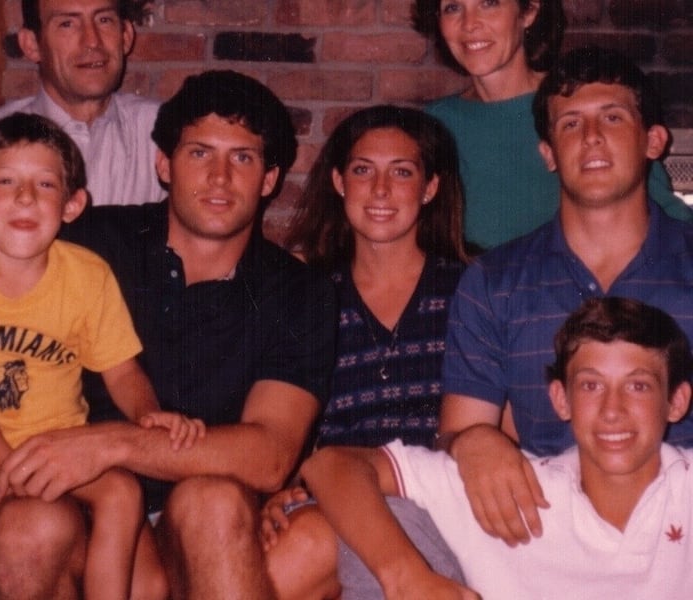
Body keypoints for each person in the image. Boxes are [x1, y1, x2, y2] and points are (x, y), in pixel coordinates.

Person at [0, 69, 335, 599]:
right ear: (164, 164)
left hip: (200, 520)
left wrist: (109, 445)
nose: (220, 177)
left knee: (213, 502)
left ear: (269, 179)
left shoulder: (299, 291)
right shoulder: (90, 242)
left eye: (242, 158)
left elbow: (269, 456)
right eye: (199, 153)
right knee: (28, 526)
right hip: (76, 505)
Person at [0, 112, 207, 599]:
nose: (25, 197)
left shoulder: (87, 275)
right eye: (6, 181)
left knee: (125, 493)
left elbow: (121, 369)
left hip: (65, 448)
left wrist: (149, 416)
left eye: (44, 184)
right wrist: (11, 473)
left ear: (72, 205)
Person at [435, 45, 693, 551]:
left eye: (612, 117)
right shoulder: (493, 282)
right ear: (548, 153)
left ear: (653, 141)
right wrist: (473, 444)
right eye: (570, 123)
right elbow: (460, 431)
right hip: (542, 534)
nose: (592, 136)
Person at [303, 297, 693, 600]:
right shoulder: (516, 488)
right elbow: (331, 465)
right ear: (561, 399)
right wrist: (405, 576)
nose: (612, 410)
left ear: (676, 401)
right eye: (591, 385)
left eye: (638, 386)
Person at [261, 105, 469, 599]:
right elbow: (283, 423)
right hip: (332, 499)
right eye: (362, 171)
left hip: (442, 507)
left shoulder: (470, 289)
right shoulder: (307, 296)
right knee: (301, 536)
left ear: (430, 188)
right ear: (338, 182)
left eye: (401, 172)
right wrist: (275, 490)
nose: (380, 191)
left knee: (314, 538)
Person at [412, 0, 692, 249]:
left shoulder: (578, 106)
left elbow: (665, 216)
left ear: (529, 11)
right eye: (452, 8)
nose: (470, 24)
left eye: (489, 3)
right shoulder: (438, 122)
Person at [0, 0, 163, 250]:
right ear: (32, 45)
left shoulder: (165, 134)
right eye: (67, 24)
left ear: (125, 35)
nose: (92, 41)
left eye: (104, 20)